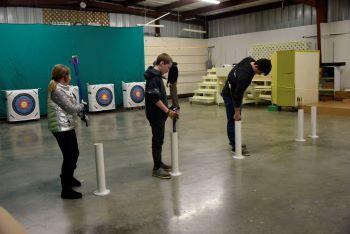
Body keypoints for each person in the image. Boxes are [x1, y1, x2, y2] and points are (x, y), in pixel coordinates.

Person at [47, 64, 87, 199]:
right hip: (61, 127)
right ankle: (66, 189)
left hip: (66, 125)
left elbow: (72, 104)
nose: (70, 77)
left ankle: (68, 177)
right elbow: (71, 108)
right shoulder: (57, 91)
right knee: (70, 156)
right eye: (68, 75)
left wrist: (80, 111)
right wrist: (82, 106)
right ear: (63, 77)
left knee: (73, 154)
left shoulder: (63, 88)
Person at [221, 57, 271, 156]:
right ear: (256, 66)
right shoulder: (244, 76)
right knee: (234, 119)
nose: (259, 74)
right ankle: (235, 147)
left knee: (237, 119)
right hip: (229, 94)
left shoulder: (249, 60)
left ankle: (235, 142)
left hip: (234, 90)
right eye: (260, 72)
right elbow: (237, 95)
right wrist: (237, 112)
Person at [145, 53, 179, 179]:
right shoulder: (154, 78)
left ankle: (159, 163)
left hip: (159, 114)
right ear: (161, 64)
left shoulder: (157, 76)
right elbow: (155, 99)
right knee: (157, 140)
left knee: (160, 139)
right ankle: (156, 168)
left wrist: (169, 109)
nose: (168, 70)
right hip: (155, 115)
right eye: (167, 67)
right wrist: (168, 111)